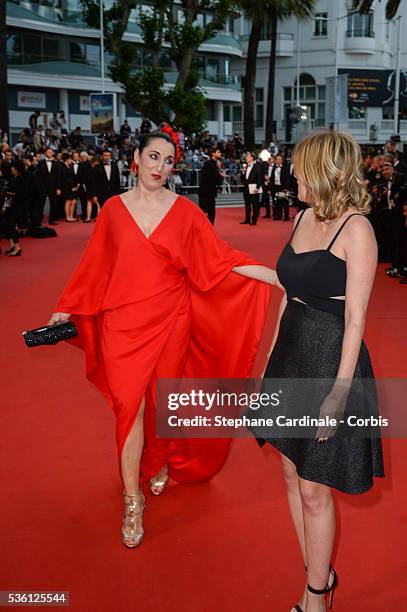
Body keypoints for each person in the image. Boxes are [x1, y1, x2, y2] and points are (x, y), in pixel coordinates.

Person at [47, 124, 281, 549]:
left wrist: (276, 275)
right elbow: (94, 266)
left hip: (172, 320)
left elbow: (220, 260)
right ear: (136, 158)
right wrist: (66, 306)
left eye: (168, 160)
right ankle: (132, 499)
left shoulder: (186, 212)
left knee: (161, 401)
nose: (159, 166)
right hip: (123, 324)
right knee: (128, 407)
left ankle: (158, 462)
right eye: (153, 157)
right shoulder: (113, 210)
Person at [248, 132, 384, 612]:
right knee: (289, 472)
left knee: (312, 486)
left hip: (329, 359)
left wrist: (338, 395)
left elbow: (355, 318)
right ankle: (317, 570)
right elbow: (291, 288)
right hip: (291, 354)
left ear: (325, 172)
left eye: (301, 167)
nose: (294, 175)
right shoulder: (303, 216)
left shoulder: (356, 229)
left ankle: (316, 596)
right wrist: (267, 361)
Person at [36, 147, 61, 225]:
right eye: (49, 152)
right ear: (45, 153)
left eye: (51, 152)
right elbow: (38, 176)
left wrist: (58, 188)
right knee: (41, 204)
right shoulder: (40, 163)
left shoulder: (56, 164)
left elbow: (58, 176)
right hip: (43, 187)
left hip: (53, 187)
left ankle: (52, 220)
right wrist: (39, 187)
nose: (50, 153)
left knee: (53, 204)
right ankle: (39, 220)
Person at [198, 147, 223, 224]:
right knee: (203, 213)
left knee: (211, 214)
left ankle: (209, 232)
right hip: (205, 193)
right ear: (213, 153)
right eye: (218, 152)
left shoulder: (216, 165)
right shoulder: (208, 163)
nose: (220, 154)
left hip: (211, 193)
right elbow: (206, 177)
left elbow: (218, 182)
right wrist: (218, 174)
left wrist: (219, 171)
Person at [241, 151, 263, 225]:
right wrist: (243, 172)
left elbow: (260, 177)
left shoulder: (257, 166)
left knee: (254, 205)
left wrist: (258, 187)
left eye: (247, 156)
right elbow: (243, 179)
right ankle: (247, 219)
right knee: (247, 204)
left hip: (254, 187)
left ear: (252, 158)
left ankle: (254, 220)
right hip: (246, 188)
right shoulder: (246, 166)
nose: (246, 158)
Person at [270, 153, 292, 221]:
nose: (279, 160)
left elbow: (287, 178)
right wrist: (271, 188)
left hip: (283, 187)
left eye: (280, 159)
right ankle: (278, 216)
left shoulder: (286, 167)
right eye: (278, 159)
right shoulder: (273, 168)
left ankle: (286, 216)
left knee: (285, 202)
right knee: (277, 202)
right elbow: (272, 179)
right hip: (276, 187)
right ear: (275, 160)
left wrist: (286, 188)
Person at [60, 152, 80, 222]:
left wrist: (77, 184)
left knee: (74, 201)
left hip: (73, 187)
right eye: (70, 159)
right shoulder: (63, 167)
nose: (71, 161)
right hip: (67, 187)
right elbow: (65, 178)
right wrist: (72, 187)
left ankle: (71, 216)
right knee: (68, 201)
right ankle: (67, 216)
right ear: (66, 160)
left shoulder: (70, 166)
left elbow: (73, 176)